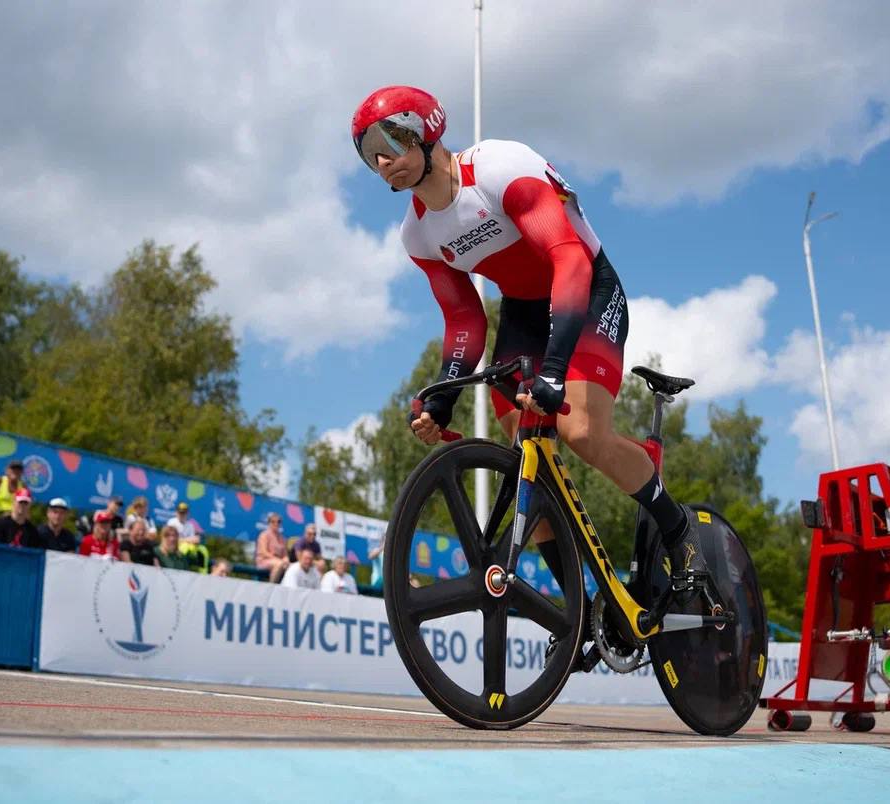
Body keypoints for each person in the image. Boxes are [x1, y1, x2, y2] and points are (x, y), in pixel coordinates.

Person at [351, 86, 705, 613]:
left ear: (424, 129)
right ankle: (584, 608)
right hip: (521, 313)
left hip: (585, 289)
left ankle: (679, 532)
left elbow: (570, 260)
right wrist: (442, 397)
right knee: (525, 459)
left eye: (387, 141)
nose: (381, 162)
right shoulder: (419, 234)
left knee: (580, 430)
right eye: (367, 153)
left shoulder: (498, 167)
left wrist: (557, 370)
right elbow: (464, 317)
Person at [255, 512, 289, 583]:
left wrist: (286, 560)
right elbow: (264, 553)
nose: (276, 523)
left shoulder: (282, 538)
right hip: (264, 561)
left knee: (290, 567)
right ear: (269, 523)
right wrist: (279, 560)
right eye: (273, 521)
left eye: (278, 522)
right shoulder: (264, 535)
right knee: (279, 564)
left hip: (278, 561)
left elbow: (285, 555)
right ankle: (272, 587)